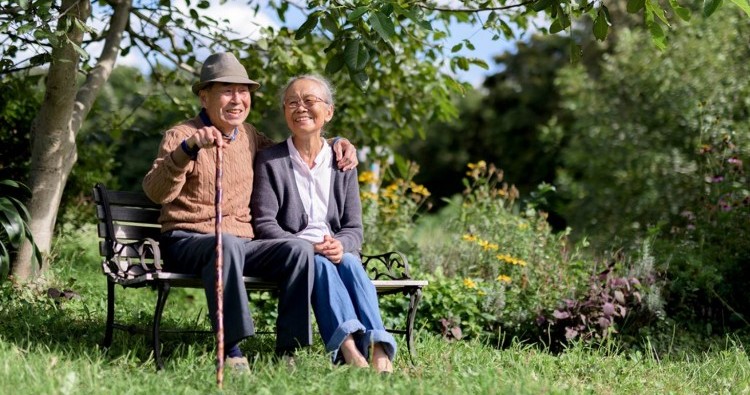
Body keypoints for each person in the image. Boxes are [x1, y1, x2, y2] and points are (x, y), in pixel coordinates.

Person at [142, 53, 358, 370]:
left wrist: (337, 142)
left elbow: (297, 148)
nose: (238, 99)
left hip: (243, 245)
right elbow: (155, 192)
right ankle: (231, 349)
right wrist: (188, 151)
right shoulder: (181, 136)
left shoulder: (249, 136)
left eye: (243, 92)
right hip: (187, 242)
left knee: (299, 249)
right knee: (224, 242)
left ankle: (288, 350)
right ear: (205, 97)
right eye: (227, 91)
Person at [251, 75, 396, 373]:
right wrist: (306, 246)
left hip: (335, 252)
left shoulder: (343, 161)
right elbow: (264, 223)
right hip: (293, 255)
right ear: (284, 112)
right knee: (318, 263)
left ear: (328, 112)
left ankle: (378, 348)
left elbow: (354, 228)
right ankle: (351, 351)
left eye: (309, 101)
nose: (300, 108)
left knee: (351, 264)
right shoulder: (270, 161)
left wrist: (340, 244)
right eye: (292, 102)